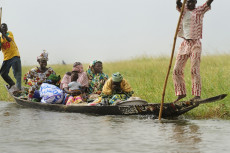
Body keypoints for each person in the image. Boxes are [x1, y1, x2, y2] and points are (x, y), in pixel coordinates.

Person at [173, 0, 214, 102]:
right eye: (187, 2)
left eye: (191, 2)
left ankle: (197, 95)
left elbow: (208, 3)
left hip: (195, 43)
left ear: (195, 2)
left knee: (194, 70)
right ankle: (181, 93)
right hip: (185, 44)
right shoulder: (183, 10)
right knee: (176, 70)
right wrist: (179, 1)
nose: (188, 4)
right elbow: (178, 3)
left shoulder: (199, 10)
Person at [0, 23, 21, 92]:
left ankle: (18, 88)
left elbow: (9, 40)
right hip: (6, 58)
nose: (4, 29)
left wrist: (3, 33)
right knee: (3, 73)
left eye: (5, 28)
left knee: (17, 73)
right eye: (2, 28)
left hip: (14, 56)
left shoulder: (9, 33)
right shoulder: (0, 38)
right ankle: (12, 84)